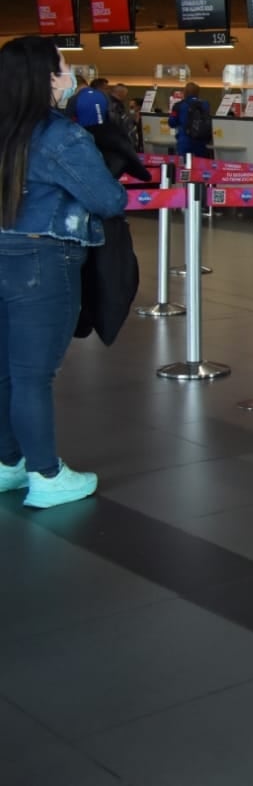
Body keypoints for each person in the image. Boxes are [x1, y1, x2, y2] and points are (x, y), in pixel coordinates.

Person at [0, 36, 129, 508]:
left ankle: (8, 462)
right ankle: (47, 475)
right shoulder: (59, 136)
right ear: (45, 78)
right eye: (63, 67)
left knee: (4, 372)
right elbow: (107, 199)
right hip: (43, 261)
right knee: (33, 375)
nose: (69, 73)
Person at [169, 81, 213, 159]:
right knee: (201, 167)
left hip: (184, 141)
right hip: (201, 141)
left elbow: (172, 123)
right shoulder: (205, 104)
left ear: (185, 92)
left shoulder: (178, 105)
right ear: (197, 92)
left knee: (183, 167)